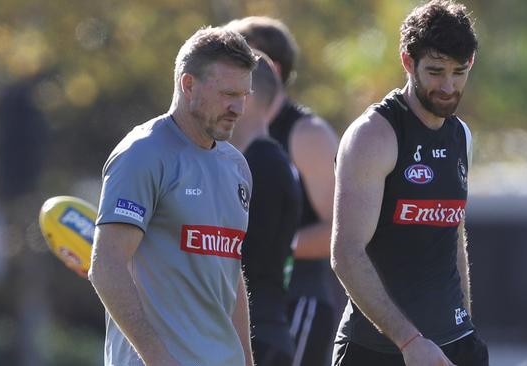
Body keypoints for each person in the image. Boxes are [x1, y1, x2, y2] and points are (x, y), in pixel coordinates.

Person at [330, 1, 489, 365]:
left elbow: (454, 235)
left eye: (458, 71)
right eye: (435, 71)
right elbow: (346, 254)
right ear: (407, 61)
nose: (448, 86)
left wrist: (466, 323)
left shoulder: (460, 135)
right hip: (379, 350)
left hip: (455, 344)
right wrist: (409, 341)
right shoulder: (373, 136)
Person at [88, 26, 257, 366]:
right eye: (227, 94)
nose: (238, 108)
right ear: (188, 84)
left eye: (244, 95)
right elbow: (106, 266)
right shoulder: (143, 154)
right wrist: (158, 359)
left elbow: (228, 272)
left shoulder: (236, 166)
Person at [226, 17, 340, 366]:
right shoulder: (226, 128)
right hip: (241, 305)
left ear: (266, 66)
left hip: (297, 304)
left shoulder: (307, 134)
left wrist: (269, 246)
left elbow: (342, 231)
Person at [229, 52, 302, 366]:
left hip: (257, 337)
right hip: (259, 333)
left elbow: (239, 259)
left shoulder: (262, 166)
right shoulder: (261, 161)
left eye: (230, 92)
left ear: (249, 95)